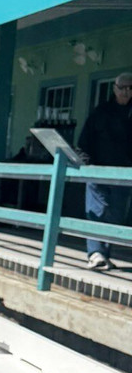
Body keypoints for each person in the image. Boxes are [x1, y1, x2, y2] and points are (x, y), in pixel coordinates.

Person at [77, 72, 132, 271]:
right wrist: (86, 163)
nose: (126, 92)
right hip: (98, 170)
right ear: (115, 89)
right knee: (96, 212)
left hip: (125, 174)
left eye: (130, 88)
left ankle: (104, 253)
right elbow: (85, 140)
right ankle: (95, 253)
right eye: (122, 88)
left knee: (116, 215)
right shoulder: (101, 111)